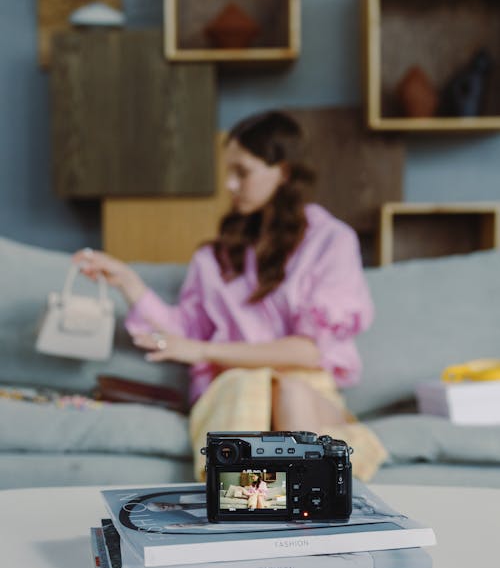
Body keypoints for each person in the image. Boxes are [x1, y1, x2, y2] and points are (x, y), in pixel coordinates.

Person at [74, 110, 385, 479]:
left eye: (243, 172)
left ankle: (292, 512)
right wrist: (129, 282)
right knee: (246, 385)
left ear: (283, 172)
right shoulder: (214, 258)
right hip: (233, 392)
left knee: (289, 390)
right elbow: (183, 332)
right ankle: (254, 508)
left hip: (304, 389)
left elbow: (309, 349)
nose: (230, 185)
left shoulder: (331, 241)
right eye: (228, 172)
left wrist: (206, 351)